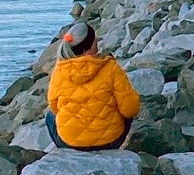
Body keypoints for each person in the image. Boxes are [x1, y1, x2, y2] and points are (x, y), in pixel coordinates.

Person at [44, 21, 140, 150]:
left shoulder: (59, 70)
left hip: (70, 143)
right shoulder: (110, 67)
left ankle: (68, 153)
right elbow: (130, 109)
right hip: (110, 141)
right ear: (90, 47)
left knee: (50, 117)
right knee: (126, 107)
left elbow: (55, 107)